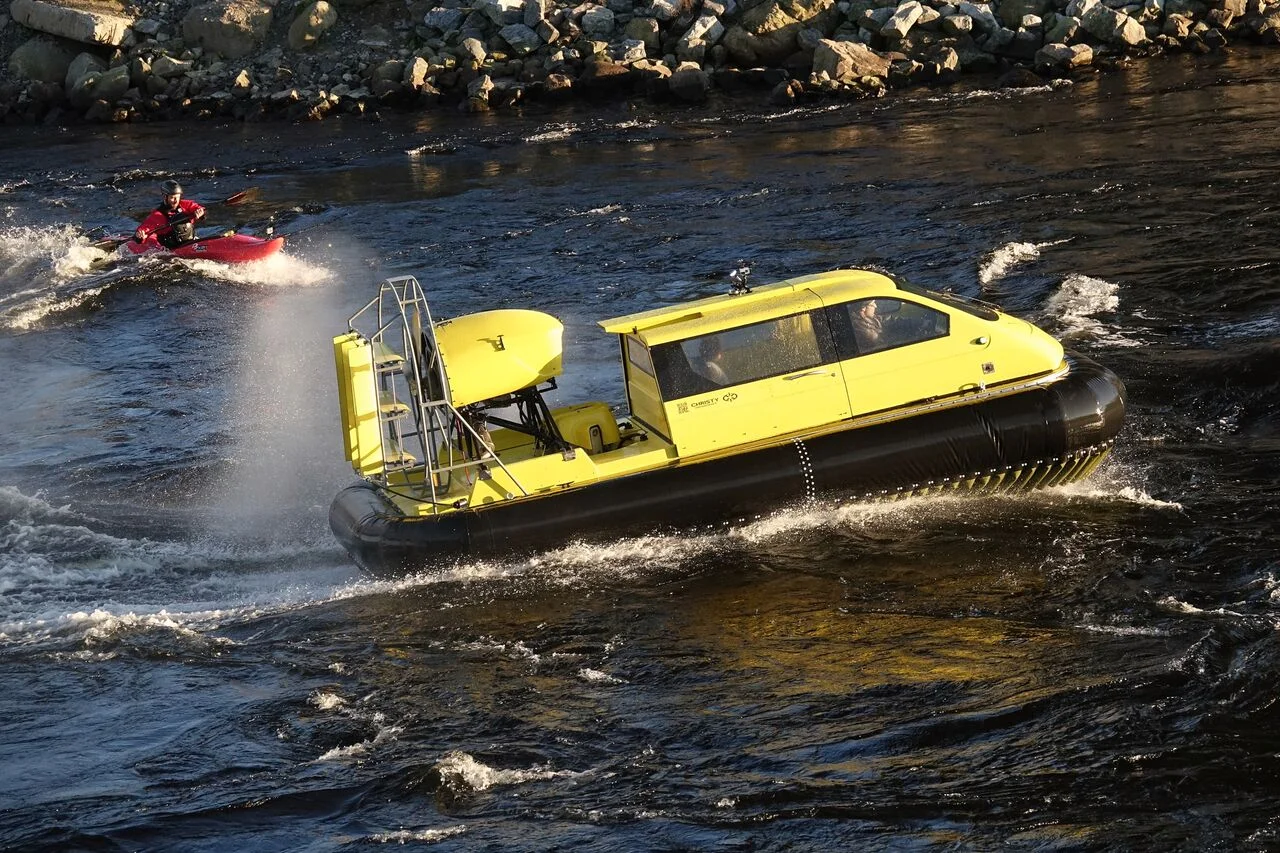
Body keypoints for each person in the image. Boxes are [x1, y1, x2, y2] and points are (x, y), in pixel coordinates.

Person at [135, 180, 205, 248]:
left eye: (178, 197)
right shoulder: (158, 215)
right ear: (165, 197)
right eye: (172, 198)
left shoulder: (185, 205)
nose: (176, 201)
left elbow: (198, 208)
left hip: (190, 242)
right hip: (171, 248)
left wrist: (200, 212)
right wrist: (140, 236)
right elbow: (143, 229)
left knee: (181, 217)